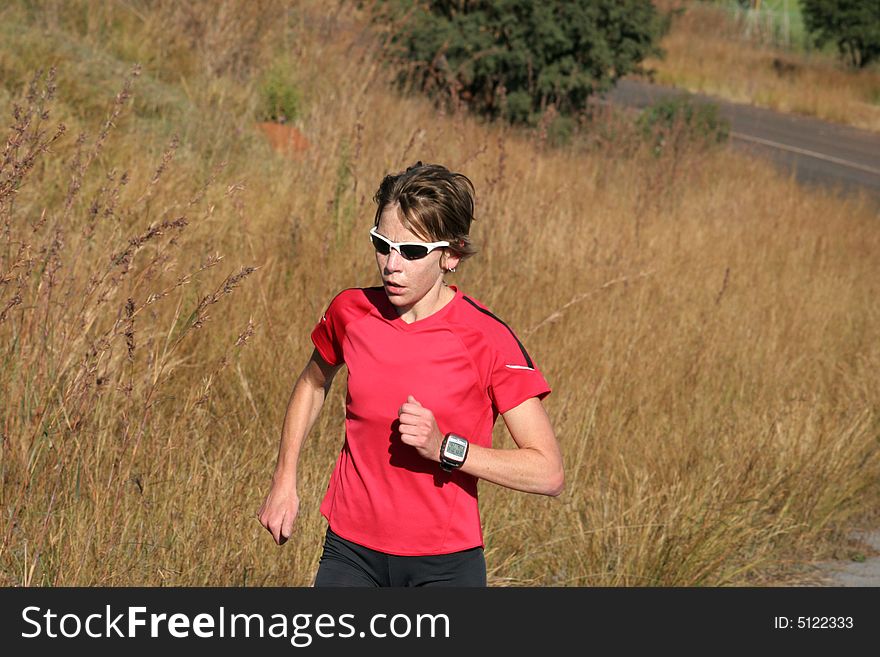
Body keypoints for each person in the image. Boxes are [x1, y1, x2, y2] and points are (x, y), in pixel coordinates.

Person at [258, 162, 563, 587]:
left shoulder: (488, 339)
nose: (391, 266)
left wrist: (445, 448)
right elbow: (312, 383)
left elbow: (548, 471)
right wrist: (284, 480)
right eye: (382, 244)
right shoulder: (351, 311)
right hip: (349, 552)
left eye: (413, 251)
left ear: (451, 256)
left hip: (443, 566)